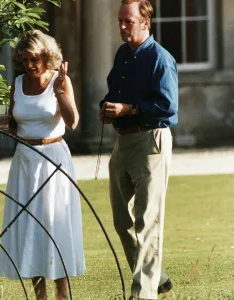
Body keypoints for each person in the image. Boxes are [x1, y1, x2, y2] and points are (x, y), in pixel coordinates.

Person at [0, 30, 85, 300]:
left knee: (53, 224)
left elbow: (73, 121)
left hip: (53, 158)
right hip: (24, 160)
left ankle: (62, 294)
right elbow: (14, 123)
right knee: (29, 225)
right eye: (24, 61)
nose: (30, 65)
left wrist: (59, 93)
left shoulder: (61, 80)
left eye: (34, 59)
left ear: (47, 57)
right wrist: (1, 123)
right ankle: (39, 296)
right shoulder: (18, 83)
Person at [99, 0, 178, 299]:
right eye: (120, 21)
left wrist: (128, 109)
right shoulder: (123, 54)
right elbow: (115, 93)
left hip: (151, 142)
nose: (121, 27)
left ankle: (143, 294)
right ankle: (159, 279)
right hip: (123, 142)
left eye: (127, 22)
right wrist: (107, 108)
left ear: (145, 23)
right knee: (122, 221)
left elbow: (168, 107)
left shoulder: (161, 58)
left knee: (148, 222)